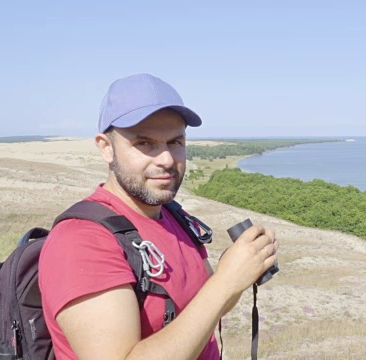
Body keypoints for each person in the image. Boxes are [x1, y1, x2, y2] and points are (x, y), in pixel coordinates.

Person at [39, 73, 278, 360]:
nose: (166, 159)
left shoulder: (175, 218)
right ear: (106, 147)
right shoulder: (82, 241)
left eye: (175, 142)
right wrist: (225, 281)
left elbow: (200, 309)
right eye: (144, 143)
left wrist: (238, 270)